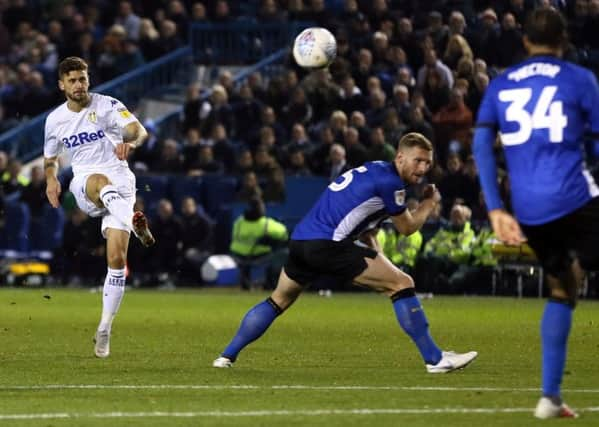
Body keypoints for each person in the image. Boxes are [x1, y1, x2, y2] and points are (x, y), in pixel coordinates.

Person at [213, 132, 477, 372]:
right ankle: (435, 359)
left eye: (427, 163)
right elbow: (407, 227)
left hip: (302, 241)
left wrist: (383, 264)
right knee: (403, 284)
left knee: (278, 300)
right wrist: (429, 203)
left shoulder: (375, 170)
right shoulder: (391, 183)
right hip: (328, 245)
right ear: (400, 157)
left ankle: (226, 356)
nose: (423, 169)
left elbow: (367, 229)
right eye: (418, 161)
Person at [473, 8, 598, 419]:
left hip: (529, 210)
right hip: (576, 200)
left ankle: (550, 396)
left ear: (525, 41)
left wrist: (495, 209)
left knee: (564, 287)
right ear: (564, 41)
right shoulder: (581, 80)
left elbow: (480, 146)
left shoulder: (500, 84)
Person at [44, 56, 155, 359]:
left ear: (88, 79)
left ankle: (105, 327)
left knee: (117, 259)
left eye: (83, 78)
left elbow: (138, 130)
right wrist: (51, 181)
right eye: (73, 80)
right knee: (98, 180)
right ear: (62, 85)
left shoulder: (107, 105)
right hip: (86, 184)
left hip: (122, 183)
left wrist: (131, 144)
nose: (79, 85)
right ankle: (135, 222)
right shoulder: (55, 120)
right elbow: (51, 158)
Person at [230, 196, 288, 290]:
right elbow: (284, 234)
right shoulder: (266, 224)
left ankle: (247, 280)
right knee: (283, 253)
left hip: (238, 257)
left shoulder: (239, 222)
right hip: (259, 257)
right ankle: (270, 282)